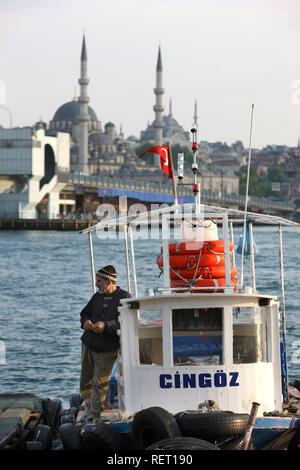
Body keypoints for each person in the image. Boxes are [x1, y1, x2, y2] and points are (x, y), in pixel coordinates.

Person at [79, 265, 131, 417]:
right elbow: (84, 313)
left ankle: (96, 414)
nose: (96, 284)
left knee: (99, 383)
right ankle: (90, 407)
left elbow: (126, 320)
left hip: (107, 349)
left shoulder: (125, 297)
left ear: (109, 281)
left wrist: (106, 326)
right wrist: (86, 322)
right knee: (85, 381)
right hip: (88, 344)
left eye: (99, 281)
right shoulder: (97, 296)